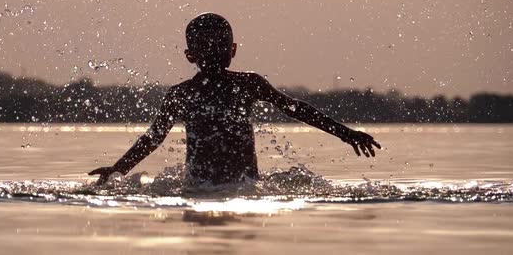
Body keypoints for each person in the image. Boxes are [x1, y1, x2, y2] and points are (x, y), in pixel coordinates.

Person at [89, 13, 381, 185]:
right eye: (207, 47)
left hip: (227, 188)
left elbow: (295, 109)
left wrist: (345, 133)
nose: (215, 52)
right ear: (191, 55)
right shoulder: (182, 94)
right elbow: (153, 138)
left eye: (220, 46)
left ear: (232, 50)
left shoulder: (246, 84)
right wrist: (119, 169)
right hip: (210, 188)